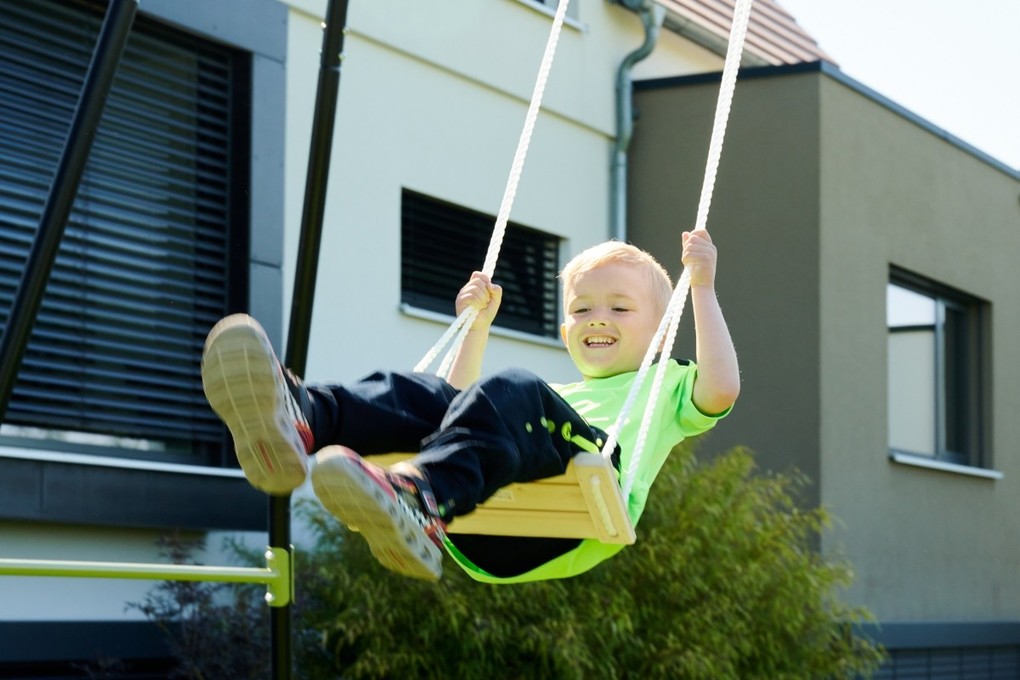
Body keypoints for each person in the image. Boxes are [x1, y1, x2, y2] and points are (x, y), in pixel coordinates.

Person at [201, 230, 739, 583]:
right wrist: (474, 329)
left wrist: (703, 290)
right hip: (479, 532)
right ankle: (303, 418)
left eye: (620, 308)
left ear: (663, 329)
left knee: (514, 388)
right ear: (564, 329)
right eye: (582, 309)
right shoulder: (556, 400)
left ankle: (419, 496)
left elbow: (722, 390)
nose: (598, 318)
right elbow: (455, 411)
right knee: (424, 391)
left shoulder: (665, 383)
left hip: (570, 521)